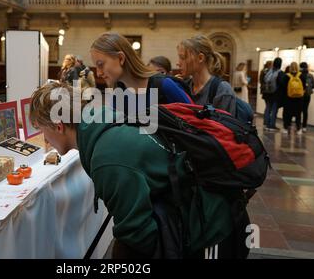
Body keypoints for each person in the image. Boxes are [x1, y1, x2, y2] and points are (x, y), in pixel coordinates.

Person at [29, 82, 247, 259]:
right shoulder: (103, 117)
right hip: (202, 212)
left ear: (58, 126)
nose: (45, 140)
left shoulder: (107, 157)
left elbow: (137, 235)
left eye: (41, 130)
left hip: (212, 228)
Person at [90, 33, 192, 114]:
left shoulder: (164, 85)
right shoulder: (117, 94)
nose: (98, 73)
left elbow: (198, 124)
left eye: (101, 64)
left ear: (121, 58)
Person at [177, 35, 236, 115]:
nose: (178, 63)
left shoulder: (222, 90)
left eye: (183, 57)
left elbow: (226, 125)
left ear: (200, 58)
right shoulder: (185, 86)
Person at [282, 62, 305, 135]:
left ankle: (286, 128)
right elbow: (304, 87)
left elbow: (283, 87)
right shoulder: (301, 76)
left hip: (288, 98)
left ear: (290, 67)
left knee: (287, 113)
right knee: (298, 114)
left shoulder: (286, 76)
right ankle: (298, 129)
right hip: (299, 99)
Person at [262, 58, 285, 132]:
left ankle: (266, 123)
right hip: (275, 94)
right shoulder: (280, 73)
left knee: (268, 109)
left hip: (267, 93)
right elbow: (282, 83)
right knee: (274, 110)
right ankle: (272, 125)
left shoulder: (269, 71)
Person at [300, 62, 314, 132]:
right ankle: (304, 127)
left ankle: (298, 126)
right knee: (305, 111)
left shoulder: (299, 75)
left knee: (299, 110)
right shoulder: (311, 75)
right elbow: (313, 86)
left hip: (300, 95)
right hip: (307, 95)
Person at [259, 61, 273, 128]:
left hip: (264, 91)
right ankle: (267, 121)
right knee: (269, 107)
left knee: (267, 106)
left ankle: (265, 121)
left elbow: (261, 80)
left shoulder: (263, 71)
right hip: (269, 91)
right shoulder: (270, 72)